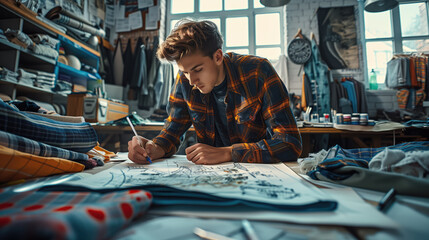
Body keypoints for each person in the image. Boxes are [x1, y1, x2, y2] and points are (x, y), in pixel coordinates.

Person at [128, 19, 302, 165]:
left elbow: (290, 143)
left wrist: (228, 153)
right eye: (185, 72)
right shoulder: (185, 79)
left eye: (197, 69)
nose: (191, 81)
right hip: (209, 177)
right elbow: (172, 131)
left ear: (218, 57)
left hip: (258, 175)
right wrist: (154, 147)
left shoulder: (258, 71)